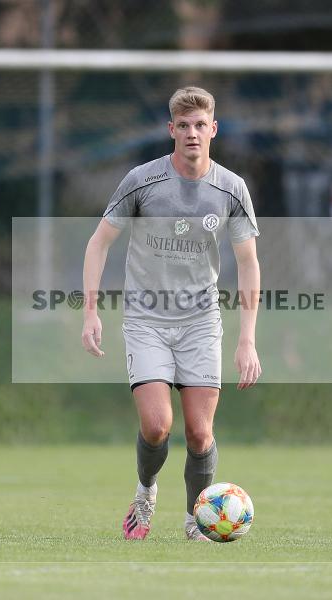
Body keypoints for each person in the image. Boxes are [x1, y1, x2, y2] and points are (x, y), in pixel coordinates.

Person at [81, 86, 262, 541]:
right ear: (171, 130)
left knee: (200, 434)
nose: (192, 133)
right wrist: (90, 312)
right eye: (183, 125)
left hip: (201, 322)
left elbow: (248, 262)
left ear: (214, 129)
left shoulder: (231, 188)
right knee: (158, 425)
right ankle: (145, 492)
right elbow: (99, 242)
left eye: (200, 125)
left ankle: (195, 522)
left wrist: (247, 339)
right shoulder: (142, 180)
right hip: (146, 320)